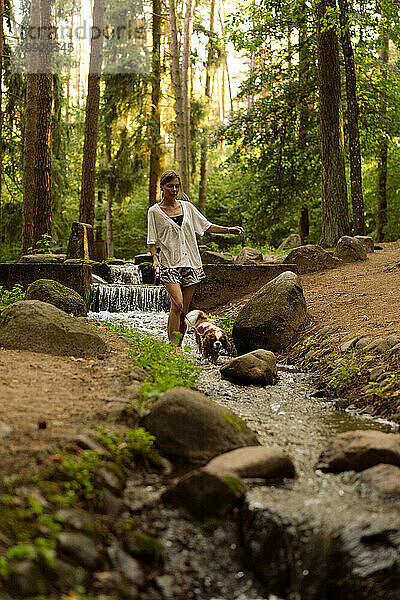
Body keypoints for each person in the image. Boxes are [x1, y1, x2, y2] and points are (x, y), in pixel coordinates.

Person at [147, 169, 244, 350]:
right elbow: (151, 240)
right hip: (169, 263)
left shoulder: (188, 208)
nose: (174, 190)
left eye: (177, 186)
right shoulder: (154, 211)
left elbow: (206, 226)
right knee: (177, 305)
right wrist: (155, 259)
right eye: (170, 186)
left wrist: (229, 230)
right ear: (162, 187)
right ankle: (172, 347)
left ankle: (180, 344)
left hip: (191, 263)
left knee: (185, 310)